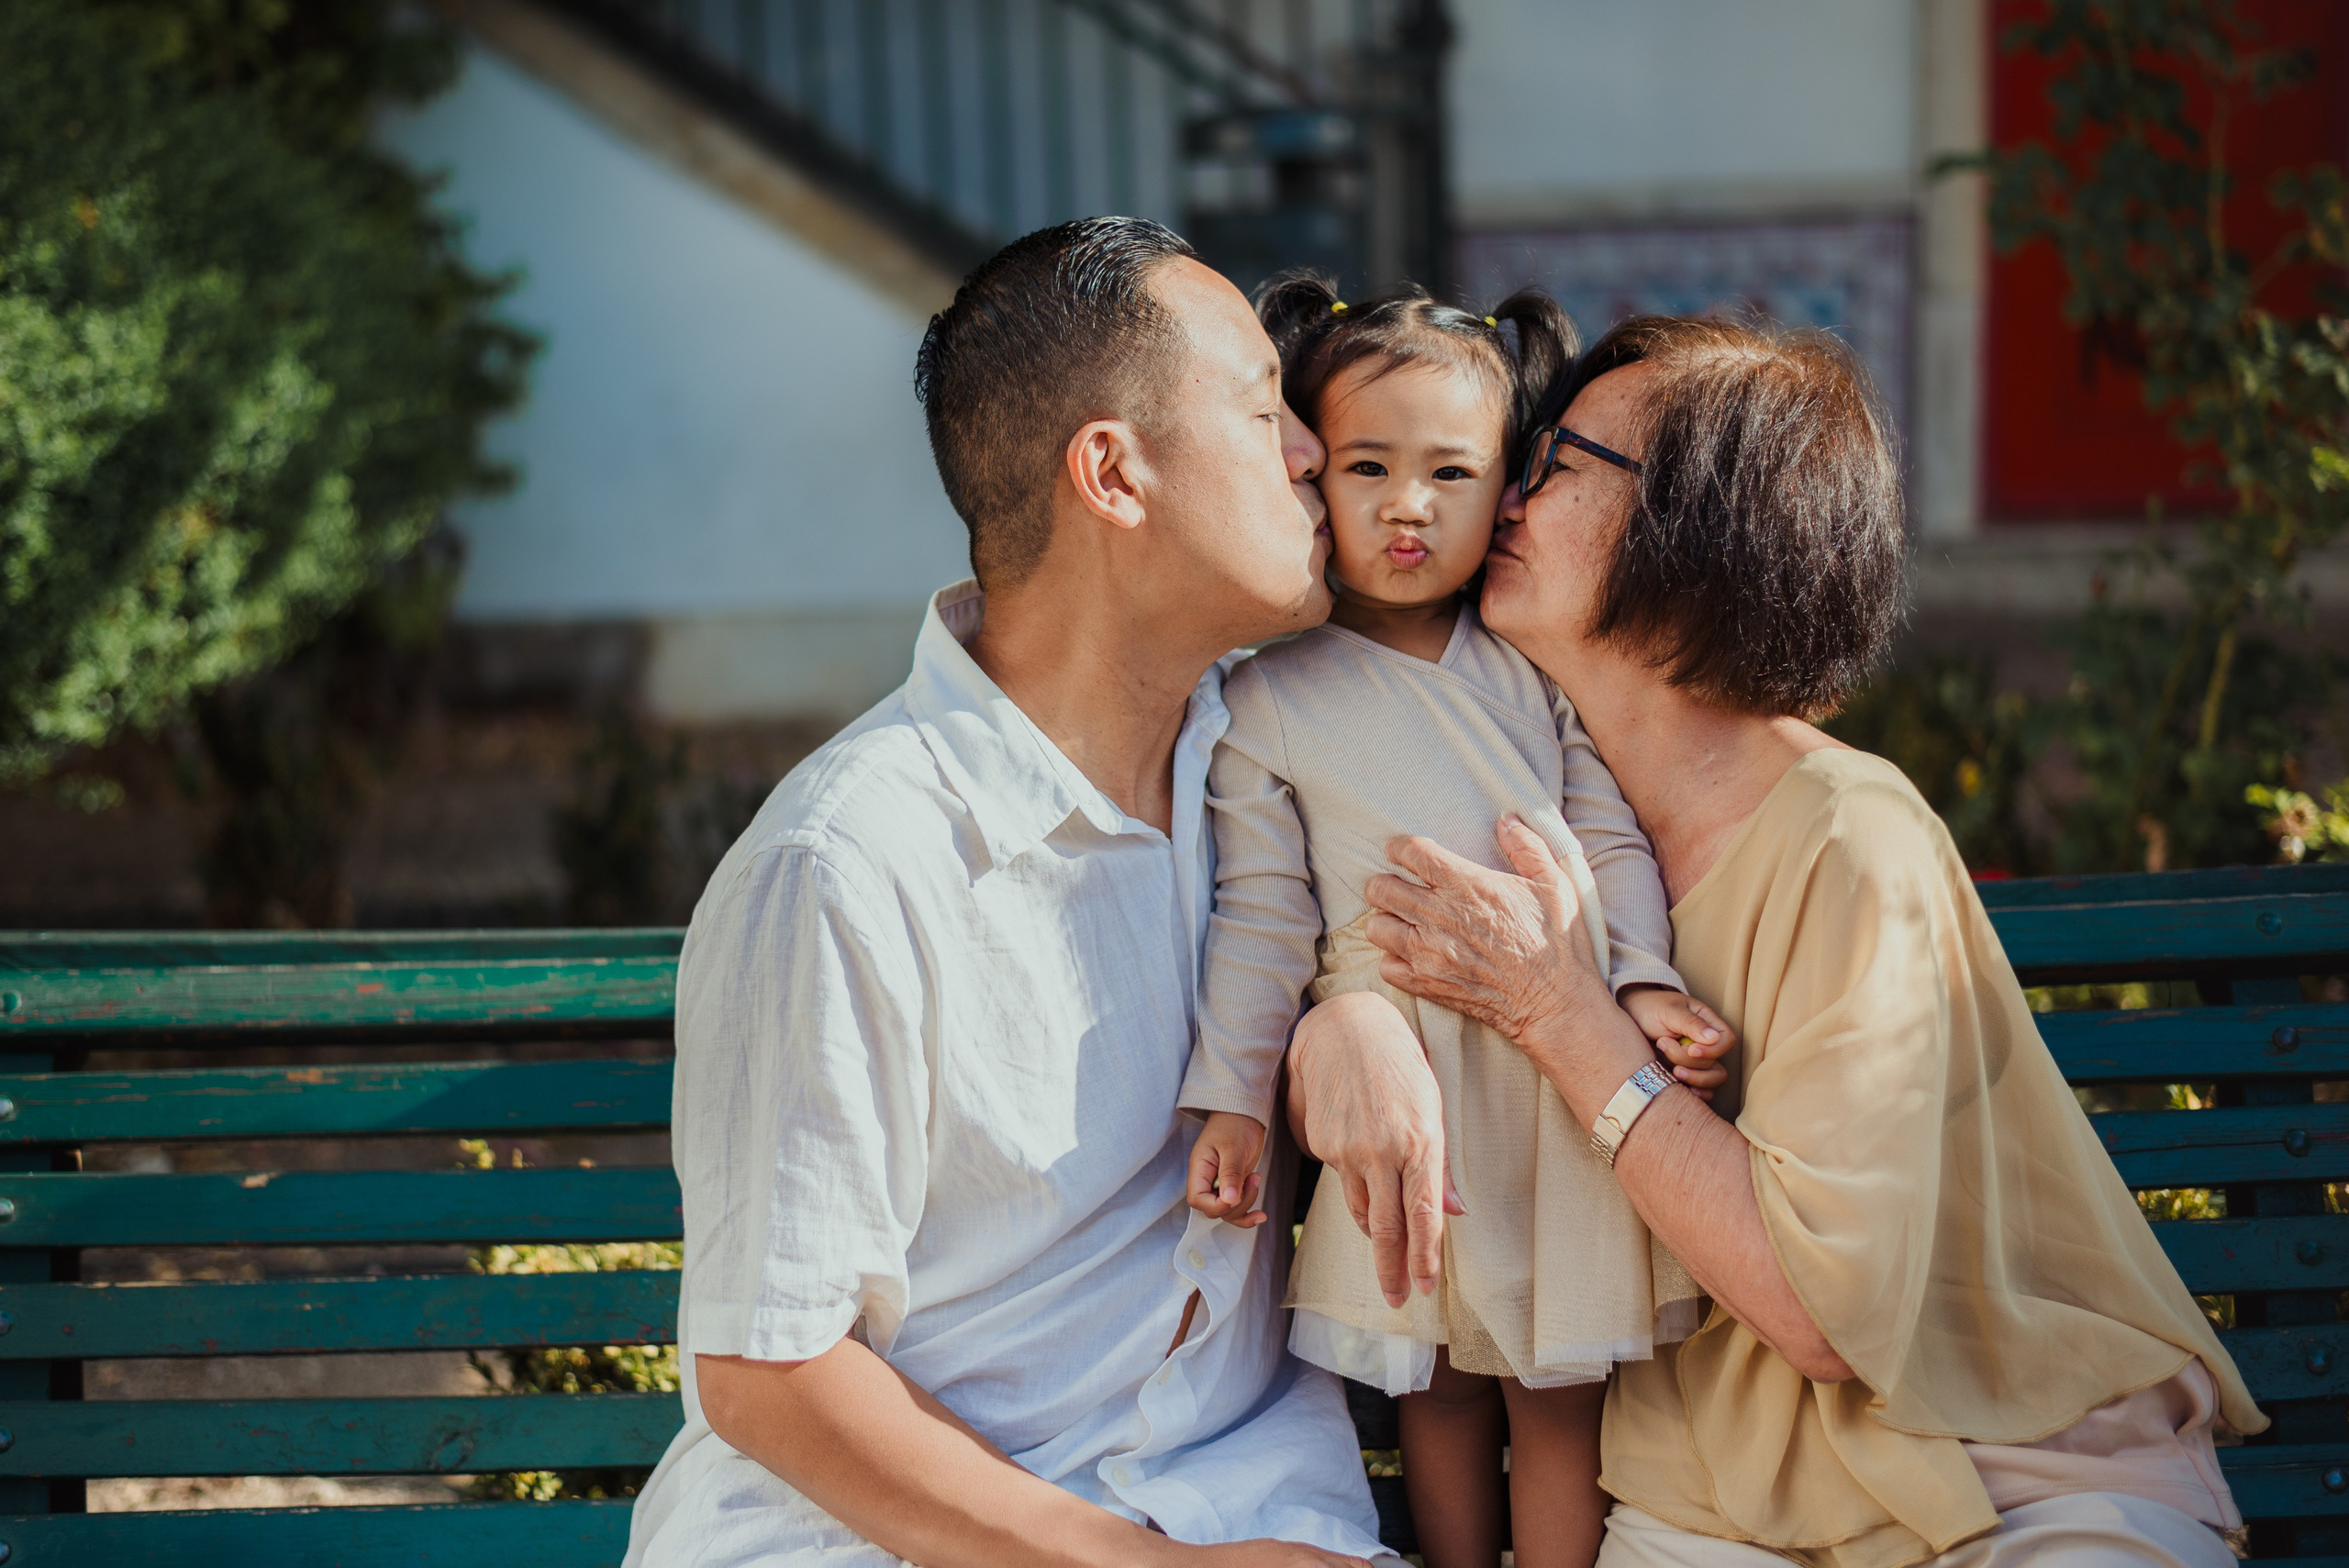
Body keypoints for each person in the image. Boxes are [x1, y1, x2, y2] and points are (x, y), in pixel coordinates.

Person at [1286, 315, 2264, 1568]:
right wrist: (1337, 1020)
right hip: (1701, 1505)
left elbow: (1818, 1312)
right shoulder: (1525, 802)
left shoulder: (1851, 837)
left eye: (1558, 463)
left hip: (2004, 1477)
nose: (1506, 495)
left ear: (1700, 531)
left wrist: (1562, 1011)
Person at [625, 217, 1391, 1568]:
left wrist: (1358, 1014)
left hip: (1245, 1511)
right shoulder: (846, 861)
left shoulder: (1280, 764)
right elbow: (770, 1368)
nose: (1310, 453)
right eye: (1263, 407)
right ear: (1113, 473)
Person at [1177, 274, 1731, 1568]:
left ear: (1507, 489)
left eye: (1451, 473)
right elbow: (1261, 918)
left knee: (1557, 1397)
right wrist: (1234, 1096)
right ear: (1311, 473)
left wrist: (1641, 983)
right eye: (1367, 467)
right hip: (1407, 1091)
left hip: (1553, 1075)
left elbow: (1606, 834)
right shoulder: (1264, 699)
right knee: (1435, 1390)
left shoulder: (1534, 665)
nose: (1408, 505)